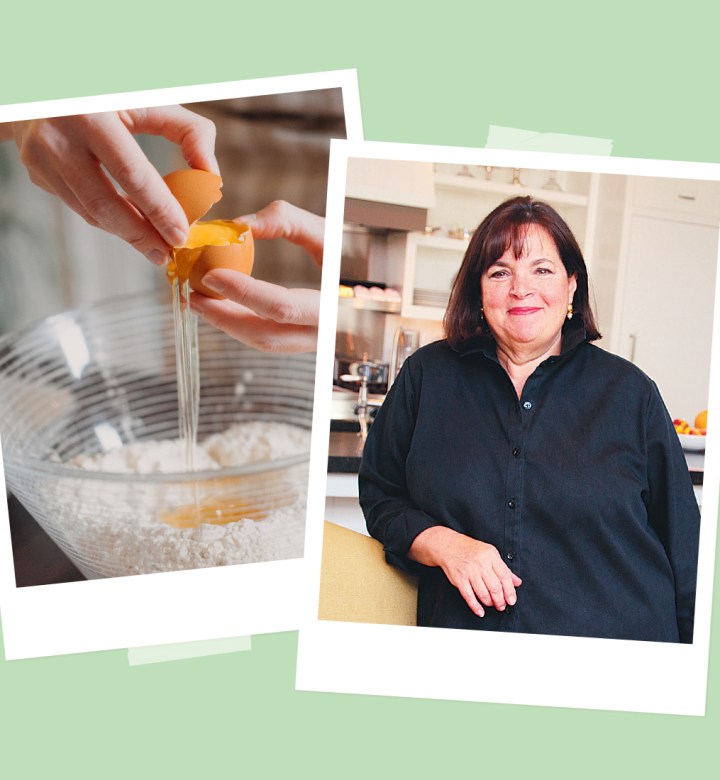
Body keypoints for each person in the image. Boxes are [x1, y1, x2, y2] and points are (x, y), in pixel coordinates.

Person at [359, 196, 700, 643]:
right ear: (478, 291)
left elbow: (685, 546)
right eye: (500, 272)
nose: (521, 288)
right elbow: (382, 496)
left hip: (621, 653)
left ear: (572, 284)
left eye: (542, 270)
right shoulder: (427, 376)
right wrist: (443, 543)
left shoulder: (631, 393)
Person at [0, 110, 324, 354]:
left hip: (322, 219)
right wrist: (26, 109)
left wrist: (354, 319)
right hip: (212, 152)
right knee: (208, 382)